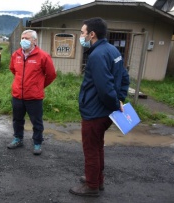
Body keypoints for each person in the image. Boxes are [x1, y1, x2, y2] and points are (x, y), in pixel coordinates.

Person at [69, 17, 130, 197]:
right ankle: (97, 179)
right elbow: (125, 78)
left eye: (82, 32)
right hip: (106, 111)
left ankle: (91, 186)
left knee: (91, 149)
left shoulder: (97, 55)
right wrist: (119, 100)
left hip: (95, 112)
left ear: (92, 34)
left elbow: (104, 88)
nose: (81, 36)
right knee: (98, 146)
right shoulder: (113, 50)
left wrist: (114, 102)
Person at [7, 29, 57, 155]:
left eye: (27, 38)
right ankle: (18, 138)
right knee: (17, 119)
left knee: (36, 122)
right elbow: (13, 70)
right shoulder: (16, 55)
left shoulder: (43, 56)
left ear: (34, 41)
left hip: (34, 97)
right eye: (22, 38)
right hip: (18, 95)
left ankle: (37, 143)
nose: (23, 40)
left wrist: (38, 86)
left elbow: (51, 75)